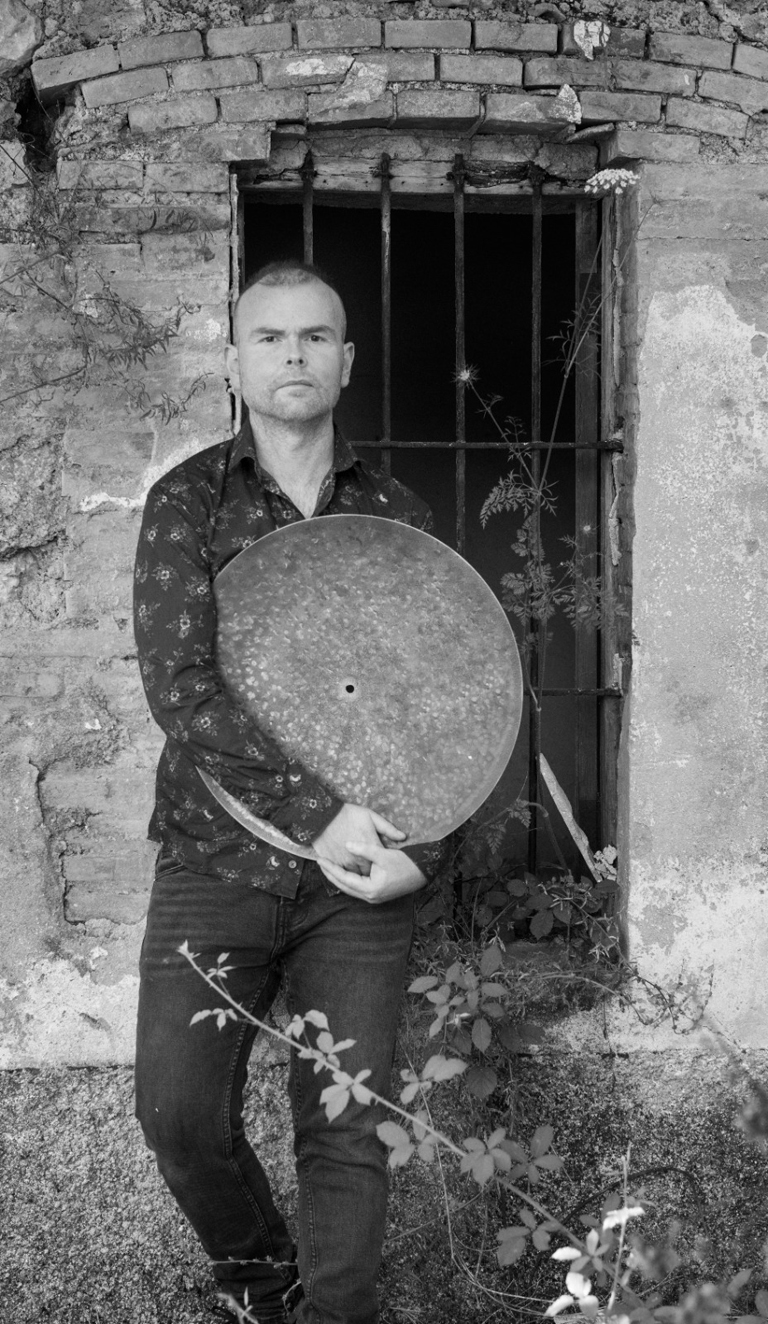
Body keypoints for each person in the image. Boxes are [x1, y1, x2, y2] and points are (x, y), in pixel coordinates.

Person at [133, 260, 446, 1324]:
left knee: (347, 1128)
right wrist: (318, 813)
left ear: (346, 360)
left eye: (315, 336)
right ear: (235, 362)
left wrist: (423, 854)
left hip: (359, 881)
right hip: (214, 862)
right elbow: (183, 690)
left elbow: (450, 705)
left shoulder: (398, 512)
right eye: (269, 337)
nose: (294, 354)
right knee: (178, 1115)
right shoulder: (186, 502)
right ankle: (266, 1281)